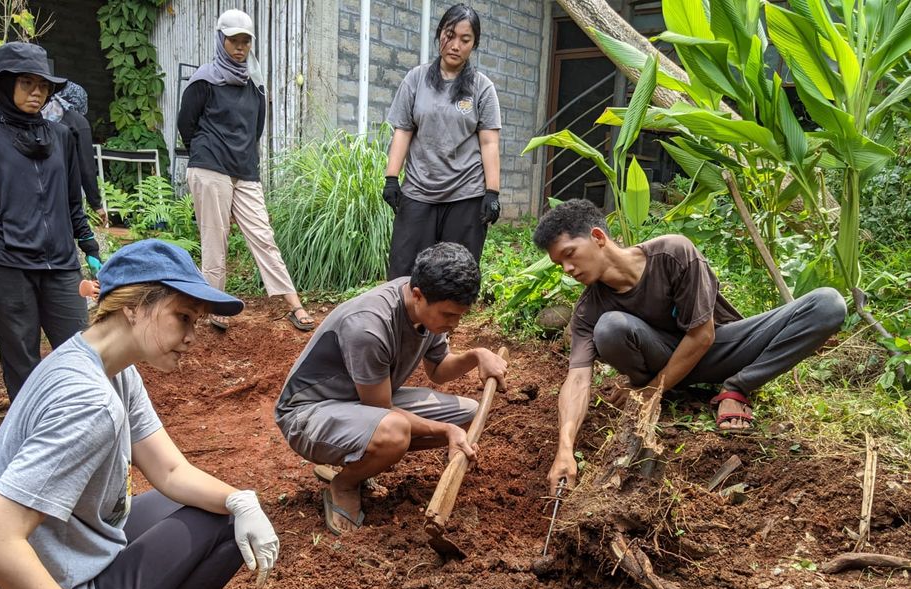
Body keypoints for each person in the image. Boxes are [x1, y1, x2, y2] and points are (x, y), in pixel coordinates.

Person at [0, 239, 280, 589]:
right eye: (183, 317)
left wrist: (240, 500)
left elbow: (170, 471)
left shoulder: (102, 365)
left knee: (215, 510)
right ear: (134, 307)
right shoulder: (89, 404)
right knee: (216, 531)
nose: (193, 335)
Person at [538, 199, 847, 492]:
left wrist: (650, 392)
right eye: (558, 263)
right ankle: (672, 389)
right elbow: (577, 379)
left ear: (597, 237)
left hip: (718, 350)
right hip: (661, 364)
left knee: (828, 304)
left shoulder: (673, 253)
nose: (567, 269)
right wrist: (565, 447)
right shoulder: (588, 311)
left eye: (569, 253)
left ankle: (738, 386)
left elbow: (702, 336)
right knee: (610, 327)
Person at [275, 242, 508, 535]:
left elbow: (437, 370)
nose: (455, 324)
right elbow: (381, 409)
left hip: (360, 403)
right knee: (395, 431)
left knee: (467, 415)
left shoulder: (423, 307)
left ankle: (359, 461)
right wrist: (445, 431)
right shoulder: (369, 326)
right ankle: (345, 483)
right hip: (308, 414)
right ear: (418, 295)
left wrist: (477, 356)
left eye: (461, 315)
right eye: (449, 315)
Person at [0, 41, 101, 401]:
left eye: (43, 85)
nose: (37, 92)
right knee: (21, 360)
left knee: (80, 350)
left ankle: (81, 421)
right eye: (27, 83)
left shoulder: (60, 136)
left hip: (60, 264)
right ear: (5, 86)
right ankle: (31, 437)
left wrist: (88, 246)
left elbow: (73, 200)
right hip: (7, 265)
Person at [178, 9, 314, 333]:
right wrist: (207, 150)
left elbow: (256, 129)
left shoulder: (256, 85)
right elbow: (187, 124)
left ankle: (293, 305)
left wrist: (240, 158)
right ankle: (215, 303)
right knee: (215, 240)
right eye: (233, 40)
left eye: (245, 41)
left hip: (244, 170)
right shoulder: (204, 80)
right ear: (221, 39)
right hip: (210, 166)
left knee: (264, 237)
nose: (239, 47)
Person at [383, 3, 502, 280]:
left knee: (454, 276)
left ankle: (443, 326)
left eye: (465, 39)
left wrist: (492, 193)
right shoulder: (416, 79)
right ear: (439, 35)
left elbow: (489, 143)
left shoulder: (481, 87)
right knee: (404, 271)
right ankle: (404, 325)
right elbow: (403, 130)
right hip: (418, 191)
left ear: (474, 44)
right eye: (450, 35)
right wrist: (391, 178)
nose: (455, 45)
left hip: (466, 195)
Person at [42, 81, 109, 227]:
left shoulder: (38, 115)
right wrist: (96, 204)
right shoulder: (78, 122)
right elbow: (87, 167)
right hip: (61, 189)